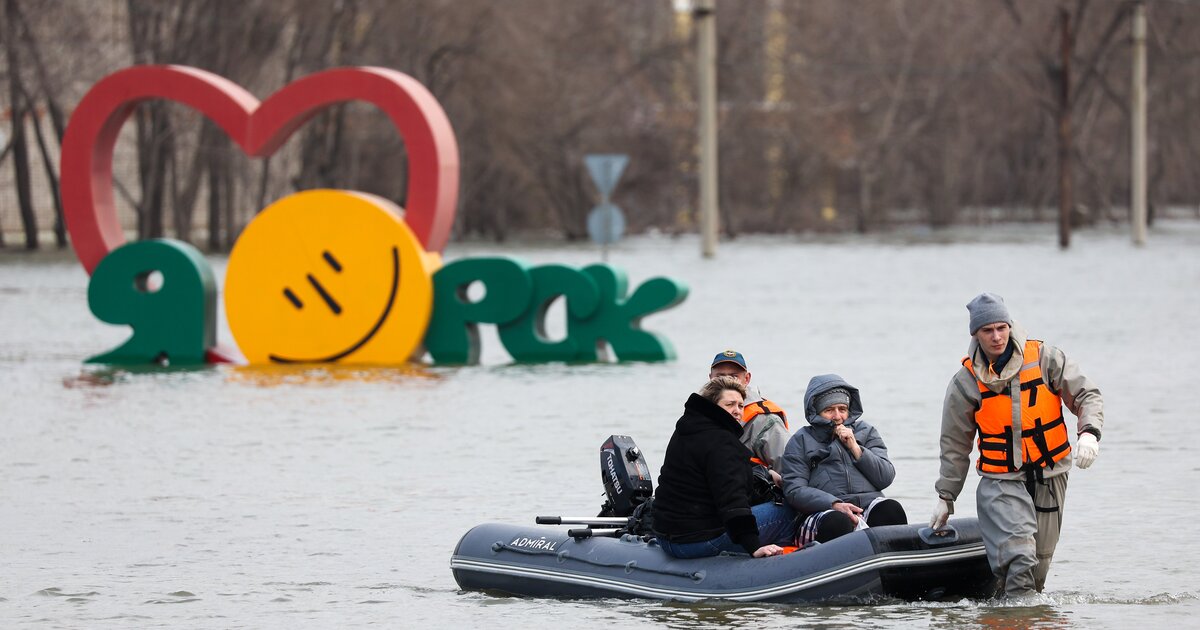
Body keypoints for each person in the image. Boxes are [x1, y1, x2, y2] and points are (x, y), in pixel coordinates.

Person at [930, 293, 1103, 597]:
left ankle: (1010, 616)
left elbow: (1086, 395)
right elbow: (955, 445)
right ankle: (1013, 614)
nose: (997, 337)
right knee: (1020, 556)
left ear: (1010, 326)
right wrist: (946, 495)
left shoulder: (1045, 358)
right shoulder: (965, 382)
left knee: (1037, 569)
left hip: (1051, 474)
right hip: (1001, 481)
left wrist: (1089, 432)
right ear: (975, 334)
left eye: (1001, 327)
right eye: (988, 330)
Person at [652, 376, 796, 558]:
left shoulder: (686, 430)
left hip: (667, 538)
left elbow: (711, 468)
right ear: (713, 405)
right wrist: (753, 546)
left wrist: (766, 474)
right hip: (698, 542)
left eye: (741, 406)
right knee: (786, 512)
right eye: (730, 405)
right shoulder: (724, 443)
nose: (737, 411)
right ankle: (777, 565)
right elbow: (732, 501)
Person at [781, 374, 907, 545]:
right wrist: (834, 504)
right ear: (816, 412)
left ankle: (897, 567)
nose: (837, 416)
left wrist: (855, 448)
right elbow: (794, 490)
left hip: (866, 505)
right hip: (824, 511)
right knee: (839, 522)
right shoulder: (800, 440)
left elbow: (885, 477)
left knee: (890, 509)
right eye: (829, 410)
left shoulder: (867, 431)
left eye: (842, 409)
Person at [708, 350, 791, 482]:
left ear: (746, 379)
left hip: (755, 496)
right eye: (720, 376)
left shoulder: (765, 420)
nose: (726, 381)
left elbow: (789, 469)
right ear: (710, 378)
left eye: (734, 376)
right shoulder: (701, 415)